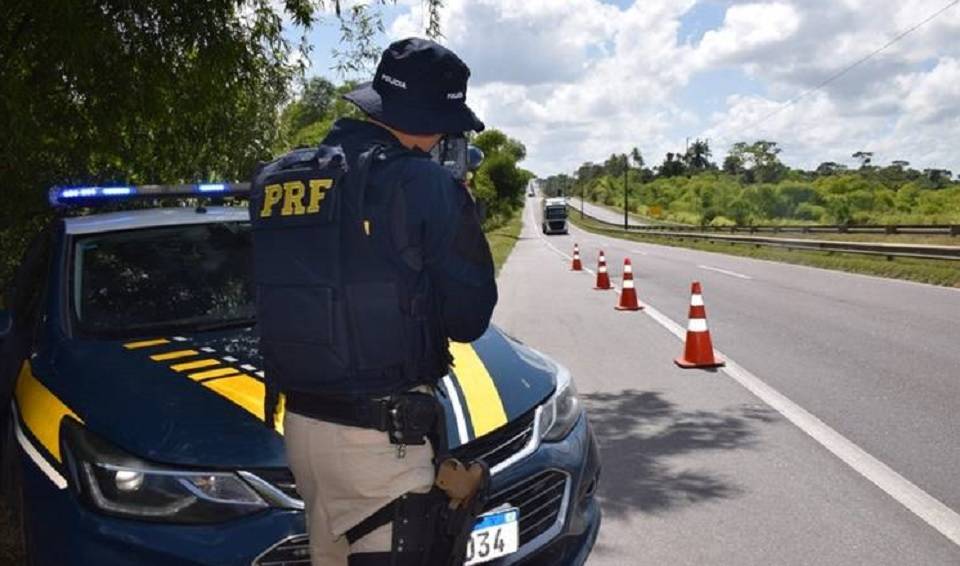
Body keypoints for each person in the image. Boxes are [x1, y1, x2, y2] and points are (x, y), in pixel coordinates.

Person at [249, 37, 497, 566]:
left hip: (304, 432)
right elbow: (469, 318)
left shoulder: (277, 178)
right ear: (435, 121)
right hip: (382, 445)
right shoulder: (423, 183)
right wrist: (462, 212)